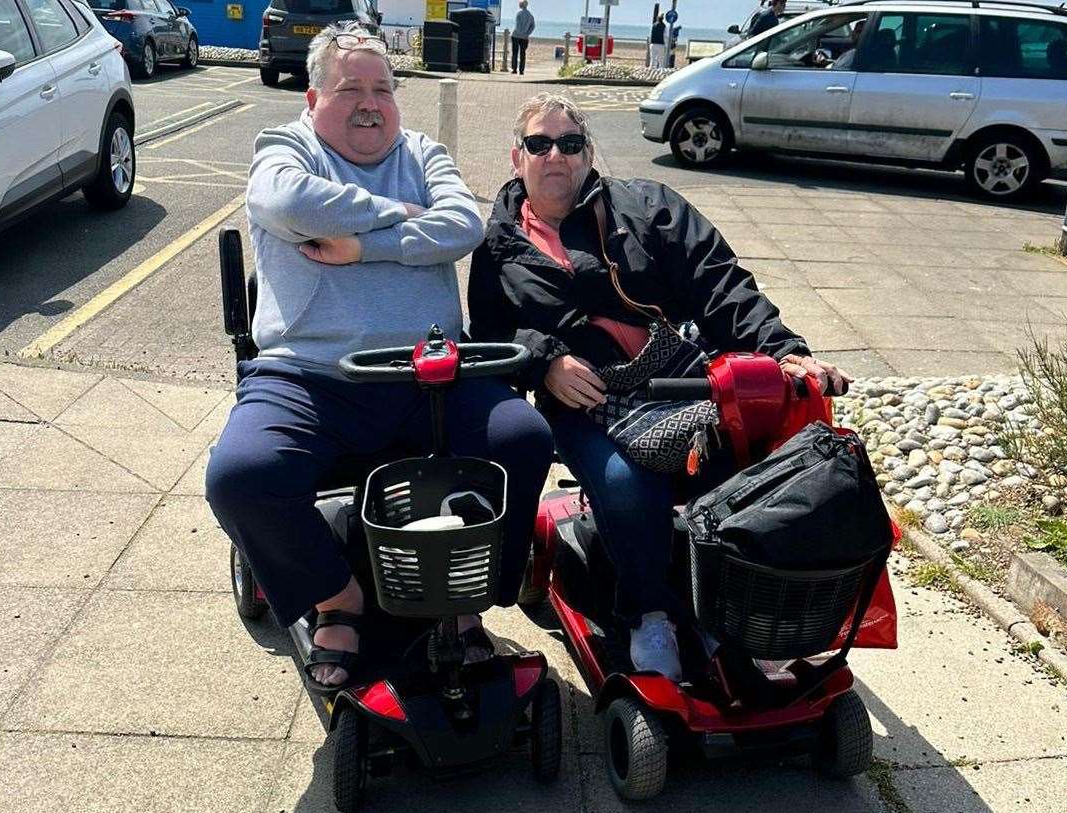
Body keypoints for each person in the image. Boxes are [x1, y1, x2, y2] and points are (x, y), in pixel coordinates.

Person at [206, 23, 554, 694]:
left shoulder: (423, 150)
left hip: (431, 374)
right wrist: (395, 212)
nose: (370, 103)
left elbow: (463, 225)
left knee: (522, 438)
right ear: (313, 99)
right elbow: (288, 200)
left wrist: (364, 244)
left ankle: (465, 595)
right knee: (241, 475)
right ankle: (338, 597)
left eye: (383, 89)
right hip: (309, 377)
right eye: (350, 89)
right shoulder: (285, 146)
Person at [468, 94, 849, 682]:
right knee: (626, 483)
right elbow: (492, 332)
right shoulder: (496, 243)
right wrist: (544, 362)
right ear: (517, 157)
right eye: (540, 144)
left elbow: (719, 281)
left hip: (677, 375)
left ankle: (730, 605)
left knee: (749, 458)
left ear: (588, 153)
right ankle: (649, 612)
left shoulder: (646, 206)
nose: (555, 156)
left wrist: (782, 350)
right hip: (586, 397)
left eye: (570, 144)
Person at [511, 0, 534, 75]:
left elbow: (517, 25)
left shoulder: (519, 13)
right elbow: (532, 26)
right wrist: (527, 33)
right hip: (525, 37)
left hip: (516, 35)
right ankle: (521, 70)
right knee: (523, 53)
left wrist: (520, 32)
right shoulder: (530, 15)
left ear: (521, 5)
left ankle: (514, 69)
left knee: (515, 52)